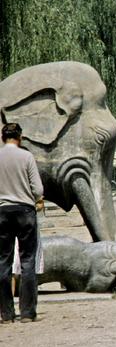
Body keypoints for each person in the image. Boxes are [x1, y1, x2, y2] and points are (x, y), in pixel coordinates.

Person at [0, 123, 44, 323]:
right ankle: (27, 312)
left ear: (3, 138)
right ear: (20, 137)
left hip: (2, 212)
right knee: (27, 261)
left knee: (3, 261)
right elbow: (38, 189)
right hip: (25, 211)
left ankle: (7, 314)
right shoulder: (26, 157)